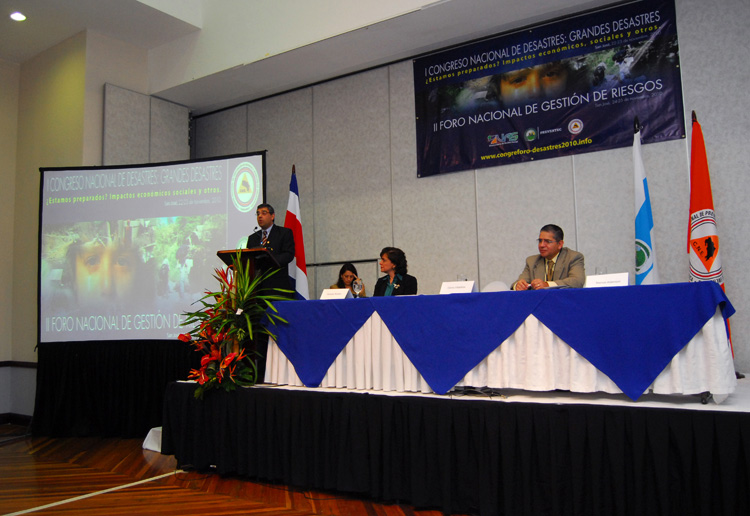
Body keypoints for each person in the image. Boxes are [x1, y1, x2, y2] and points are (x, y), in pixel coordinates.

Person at [512, 224, 585, 290]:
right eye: (540, 241)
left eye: (547, 241)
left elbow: (577, 281)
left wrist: (547, 284)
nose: (541, 245)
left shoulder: (573, 257)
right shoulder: (532, 261)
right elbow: (517, 283)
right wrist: (518, 285)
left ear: (560, 244)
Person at [245, 203, 295, 298]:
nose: (260, 216)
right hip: (257, 290)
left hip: (277, 288)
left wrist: (270, 260)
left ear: (272, 216)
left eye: (264, 213)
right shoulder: (252, 238)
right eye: (258, 213)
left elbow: (289, 255)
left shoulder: (284, 233)